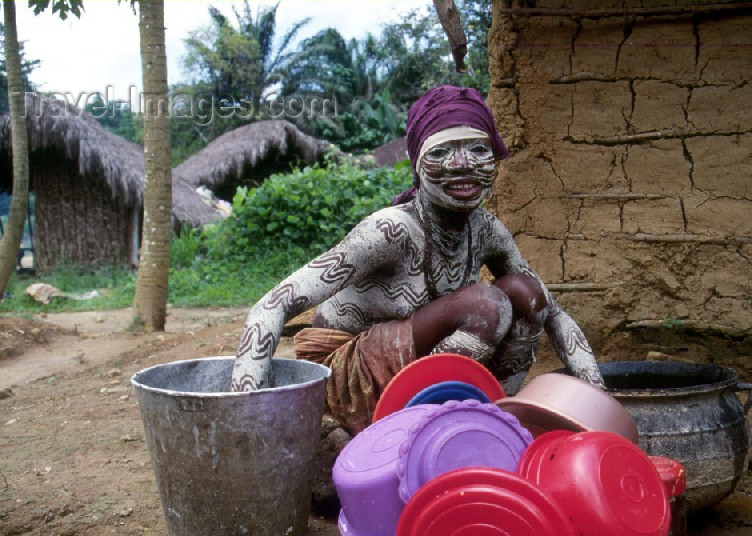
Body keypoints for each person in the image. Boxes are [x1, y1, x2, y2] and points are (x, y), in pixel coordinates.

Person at [231, 85, 604, 435]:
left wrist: (600, 401)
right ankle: (426, 429)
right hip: (344, 379)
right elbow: (273, 304)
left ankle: (490, 416)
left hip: (413, 368)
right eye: (440, 153)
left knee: (526, 293)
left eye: (477, 150)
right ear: (417, 162)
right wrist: (244, 416)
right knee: (485, 305)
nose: (461, 165)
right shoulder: (390, 232)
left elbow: (553, 315)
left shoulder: (487, 230)